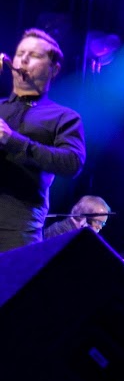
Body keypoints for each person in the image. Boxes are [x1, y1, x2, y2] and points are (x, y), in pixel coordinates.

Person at [0, 28, 86, 251]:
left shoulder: (63, 117)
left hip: (16, 230)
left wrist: (13, 140)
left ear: (54, 69)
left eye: (35, 55)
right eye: (20, 53)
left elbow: (72, 163)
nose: (23, 59)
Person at [43, 194, 111, 240]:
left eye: (102, 223)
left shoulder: (83, 235)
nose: (100, 227)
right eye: (97, 222)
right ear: (82, 216)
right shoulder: (59, 231)